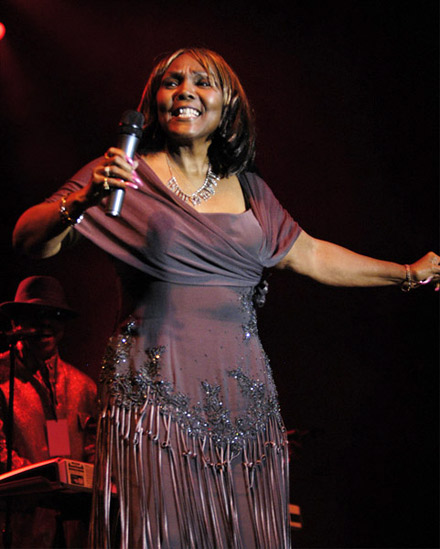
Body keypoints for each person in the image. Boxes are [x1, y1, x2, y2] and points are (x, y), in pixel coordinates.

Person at [11, 48, 440, 549]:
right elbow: (28, 239)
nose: (185, 91)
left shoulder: (252, 190)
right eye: (171, 82)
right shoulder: (124, 173)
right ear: (154, 101)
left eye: (202, 82)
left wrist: (409, 273)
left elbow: (313, 256)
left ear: (228, 103)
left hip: (243, 402)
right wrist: (79, 201)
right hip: (155, 401)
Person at [0, 275, 97, 548]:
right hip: (19, 526)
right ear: (15, 322)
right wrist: (48, 481)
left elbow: (94, 448)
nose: (44, 323)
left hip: (72, 529)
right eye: (33, 315)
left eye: (53, 315)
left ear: (63, 325)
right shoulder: (1, 377)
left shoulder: (84, 387)